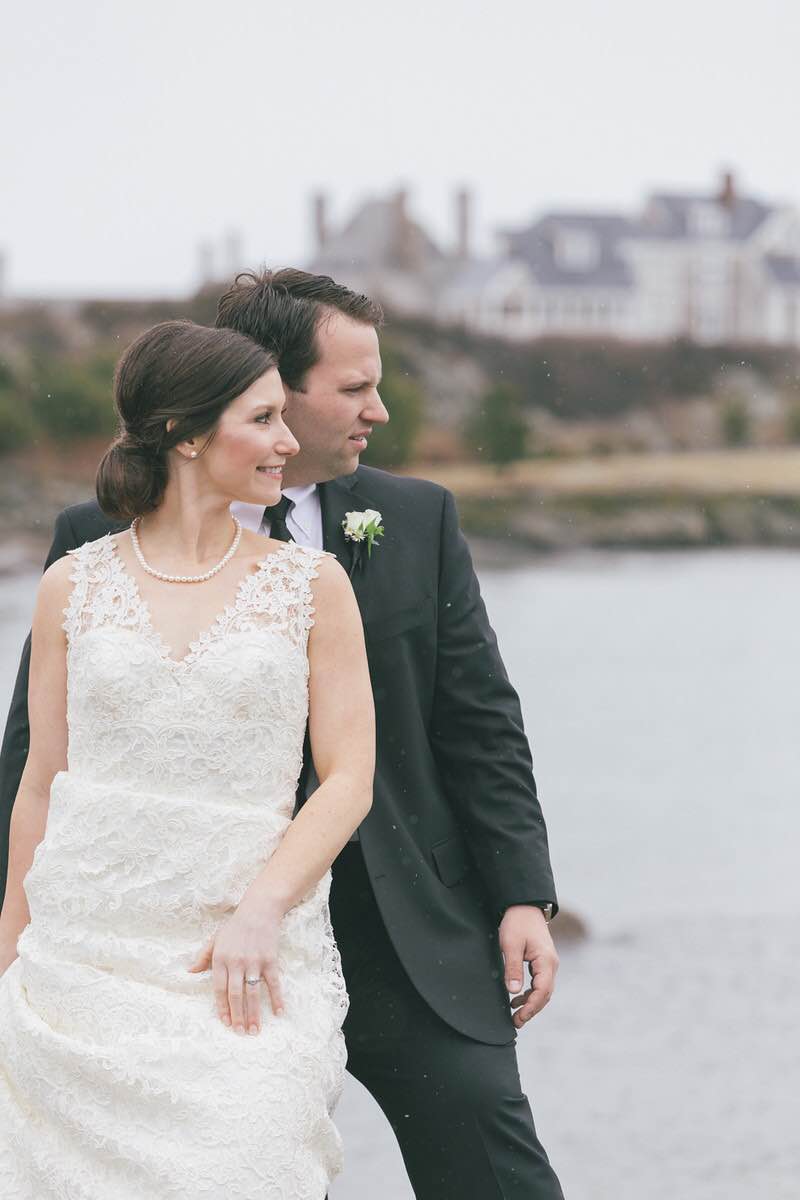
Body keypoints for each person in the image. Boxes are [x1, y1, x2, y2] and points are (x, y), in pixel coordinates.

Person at [0, 269, 565, 1198]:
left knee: (493, 1170)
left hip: (399, 931)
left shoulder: (413, 519)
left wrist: (521, 895)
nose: (377, 410)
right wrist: (16, 946)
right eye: (353, 388)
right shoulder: (90, 546)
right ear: (262, 384)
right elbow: (40, 762)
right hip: (156, 942)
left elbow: (479, 724)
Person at [0, 320, 374, 1199]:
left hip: (240, 957)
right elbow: (42, 782)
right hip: (81, 961)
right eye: (264, 419)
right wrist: (10, 950)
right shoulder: (71, 585)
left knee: (246, 1161)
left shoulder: (312, 585)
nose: (289, 442)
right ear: (187, 434)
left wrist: (260, 911)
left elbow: (349, 778)